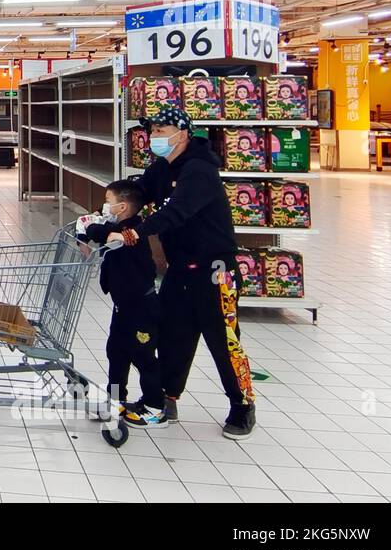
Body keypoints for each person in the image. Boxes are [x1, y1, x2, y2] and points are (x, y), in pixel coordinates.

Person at [110, 107, 257, 441]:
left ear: (183, 132)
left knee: (224, 341)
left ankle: (242, 405)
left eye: (161, 130)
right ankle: (166, 399)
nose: (155, 137)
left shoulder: (199, 170)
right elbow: (136, 194)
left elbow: (177, 212)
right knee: (172, 334)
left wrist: (133, 233)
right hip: (180, 269)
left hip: (215, 270)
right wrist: (108, 214)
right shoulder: (162, 168)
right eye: (152, 131)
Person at [78, 180, 167, 428]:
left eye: (109, 201)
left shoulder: (132, 232)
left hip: (142, 308)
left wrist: (90, 230)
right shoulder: (117, 225)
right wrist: (88, 228)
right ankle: (115, 399)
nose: (105, 206)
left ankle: (155, 407)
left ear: (123, 206)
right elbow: (96, 226)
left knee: (143, 356)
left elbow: (101, 233)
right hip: (124, 306)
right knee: (116, 352)